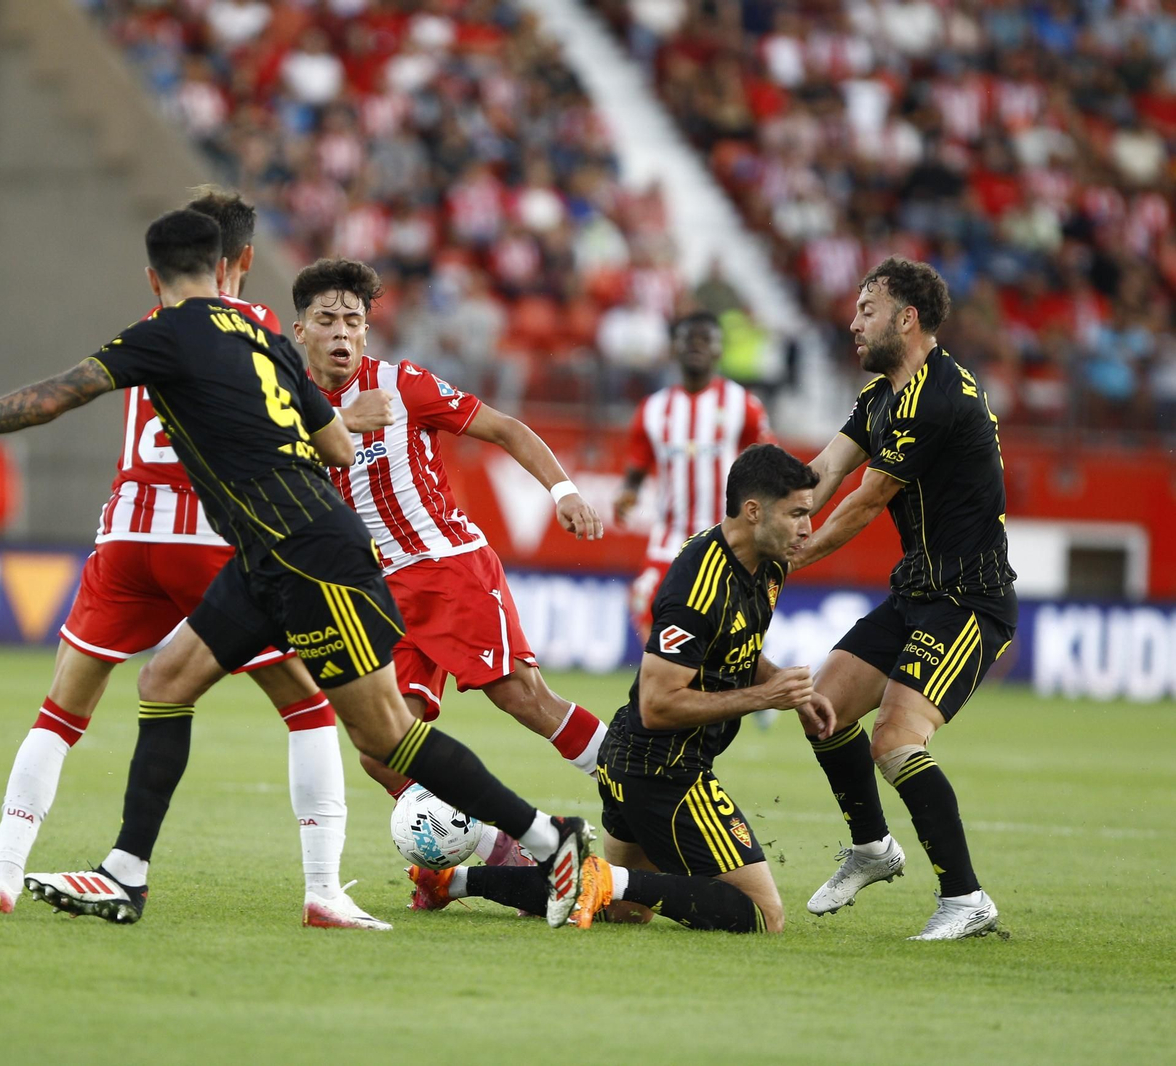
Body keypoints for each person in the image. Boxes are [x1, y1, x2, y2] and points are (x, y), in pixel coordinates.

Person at [0, 209, 592, 929]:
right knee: (165, 682)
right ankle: (125, 875)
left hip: (311, 556)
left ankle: (547, 838)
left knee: (387, 738)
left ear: (153, 278)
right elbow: (340, 449)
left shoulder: (163, 334)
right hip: (265, 553)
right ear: (225, 268)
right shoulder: (263, 335)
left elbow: (55, 396)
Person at [410, 444, 835, 933]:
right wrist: (766, 698)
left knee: (626, 909)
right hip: (666, 771)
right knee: (763, 915)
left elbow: (732, 642)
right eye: (796, 514)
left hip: (630, 761)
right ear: (754, 511)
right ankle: (604, 877)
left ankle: (452, 881)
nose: (808, 527)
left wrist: (785, 686)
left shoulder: (767, 563)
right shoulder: (698, 586)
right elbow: (657, 705)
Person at [293, 256, 608, 865]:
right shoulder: (289, 407)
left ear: (366, 331)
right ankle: (509, 853)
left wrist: (563, 492)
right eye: (326, 320)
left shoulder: (404, 385)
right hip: (378, 593)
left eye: (352, 321)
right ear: (301, 330)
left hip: (446, 567)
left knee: (521, 697)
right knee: (381, 748)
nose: (341, 332)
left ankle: (637, 782)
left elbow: (507, 429)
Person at [792, 257, 1016, 940]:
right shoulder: (882, 395)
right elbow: (825, 470)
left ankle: (966, 899)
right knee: (822, 708)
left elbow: (867, 500)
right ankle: (871, 847)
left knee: (894, 737)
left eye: (867, 310)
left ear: (907, 318)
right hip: (917, 589)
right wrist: (763, 525)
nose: (854, 323)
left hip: (969, 601)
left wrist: (788, 558)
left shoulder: (937, 397)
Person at [613, 312, 774, 641]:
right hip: (670, 536)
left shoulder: (743, 405)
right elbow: (636, 471)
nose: (696, 345)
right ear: (674, 348)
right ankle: (658, 672)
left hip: (725, 536)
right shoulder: (653, 409)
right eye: (689, 339)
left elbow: (768, 466)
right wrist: (627, 494)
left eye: (706, 339)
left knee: (728, 626)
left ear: (719, 349)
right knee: (646, 606)